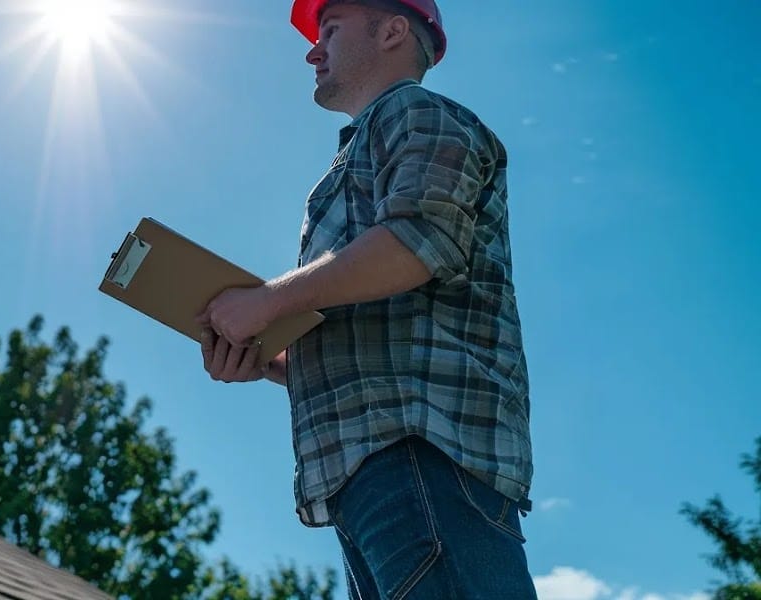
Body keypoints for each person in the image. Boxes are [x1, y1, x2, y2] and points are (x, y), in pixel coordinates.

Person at [193, 0, 539, 597]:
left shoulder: (418, 113)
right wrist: (273, 364)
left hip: (423, 458)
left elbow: (416, 242)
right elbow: (367, 325)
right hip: (376, 475)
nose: (312, 49)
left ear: (392, 30)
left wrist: (268, 302)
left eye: (330, 29)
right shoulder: (354, 157)